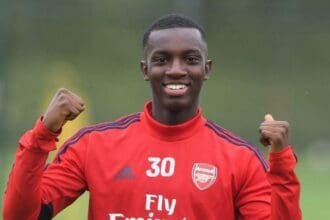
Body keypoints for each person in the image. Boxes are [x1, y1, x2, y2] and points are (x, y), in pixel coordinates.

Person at [3, 14, 301, 220]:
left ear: (206, 69)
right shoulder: (94, 146)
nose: (175, 69)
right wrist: (42, 134)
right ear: (145, 69)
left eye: (190, 59)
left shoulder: (239, 159)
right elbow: (19, 216)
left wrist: (282, 165)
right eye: (161, 59)